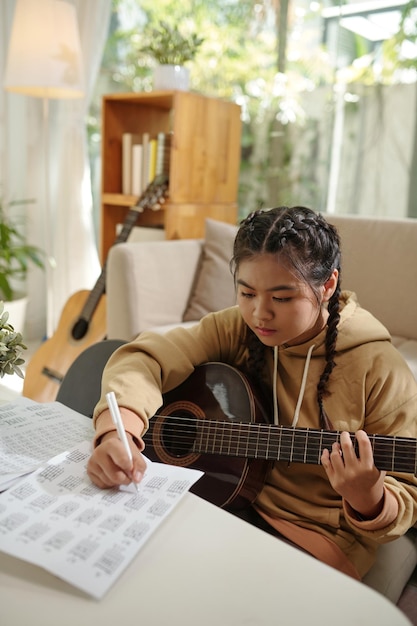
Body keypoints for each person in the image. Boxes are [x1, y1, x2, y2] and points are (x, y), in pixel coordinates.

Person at [87, 205, 417, 580]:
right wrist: (120, 432)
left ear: (327, 286)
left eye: (282, 298)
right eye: (246, 293)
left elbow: (406, 495)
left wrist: (368, 497)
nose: (260, 314)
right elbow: (143, 358)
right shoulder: (241, 329)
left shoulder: (380, 369)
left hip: (314, 538)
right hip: (222, 498)